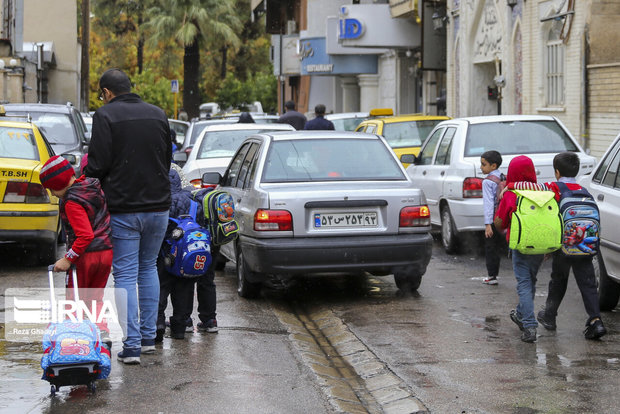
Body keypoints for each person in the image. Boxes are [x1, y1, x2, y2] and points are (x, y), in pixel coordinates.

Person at [85, 68, 171, 365]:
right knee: (148, 268)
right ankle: (148, 338)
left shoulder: (105, 116)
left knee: (124, 274)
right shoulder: (158, 114)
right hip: (159, 206)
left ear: (107, 92)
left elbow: (96, 164)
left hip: (123, 208)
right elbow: (167, 158)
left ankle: (131, 345)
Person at [504, 152, 607, 340]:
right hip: (585, 245)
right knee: (588, 283)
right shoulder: (584, 192)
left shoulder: (552, 188)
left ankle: (550, 315)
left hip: (563, 244)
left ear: (557, 172)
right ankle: (595, 320)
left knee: (559, 278)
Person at [39, 155, 113, 349]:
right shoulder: (92, 187)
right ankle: (101, 334)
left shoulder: (72, 202)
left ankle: (75, 340)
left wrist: (67, 258)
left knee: (75, 299)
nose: (53, 194)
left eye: (52, 189)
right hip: (105, 252)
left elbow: (85, 236)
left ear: (59, 183)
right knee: (95, 297)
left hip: (85, 256)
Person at [493, 155, 544, 343]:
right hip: (541, 245)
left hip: (521, 245)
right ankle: (520, 314)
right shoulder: (544, 191)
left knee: (523, 283)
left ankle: (529, 325)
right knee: (530, 281)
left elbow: (500, 223)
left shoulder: (511, 194)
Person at [480, 150, 505, 285]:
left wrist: (488, 224)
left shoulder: (487, 182)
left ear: (493, 166)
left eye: (484, 165)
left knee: (491, 247)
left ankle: (492, 276)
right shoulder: (503, 177)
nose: (481, 167)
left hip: (494, 219)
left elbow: (488, 203)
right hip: (505, 217)